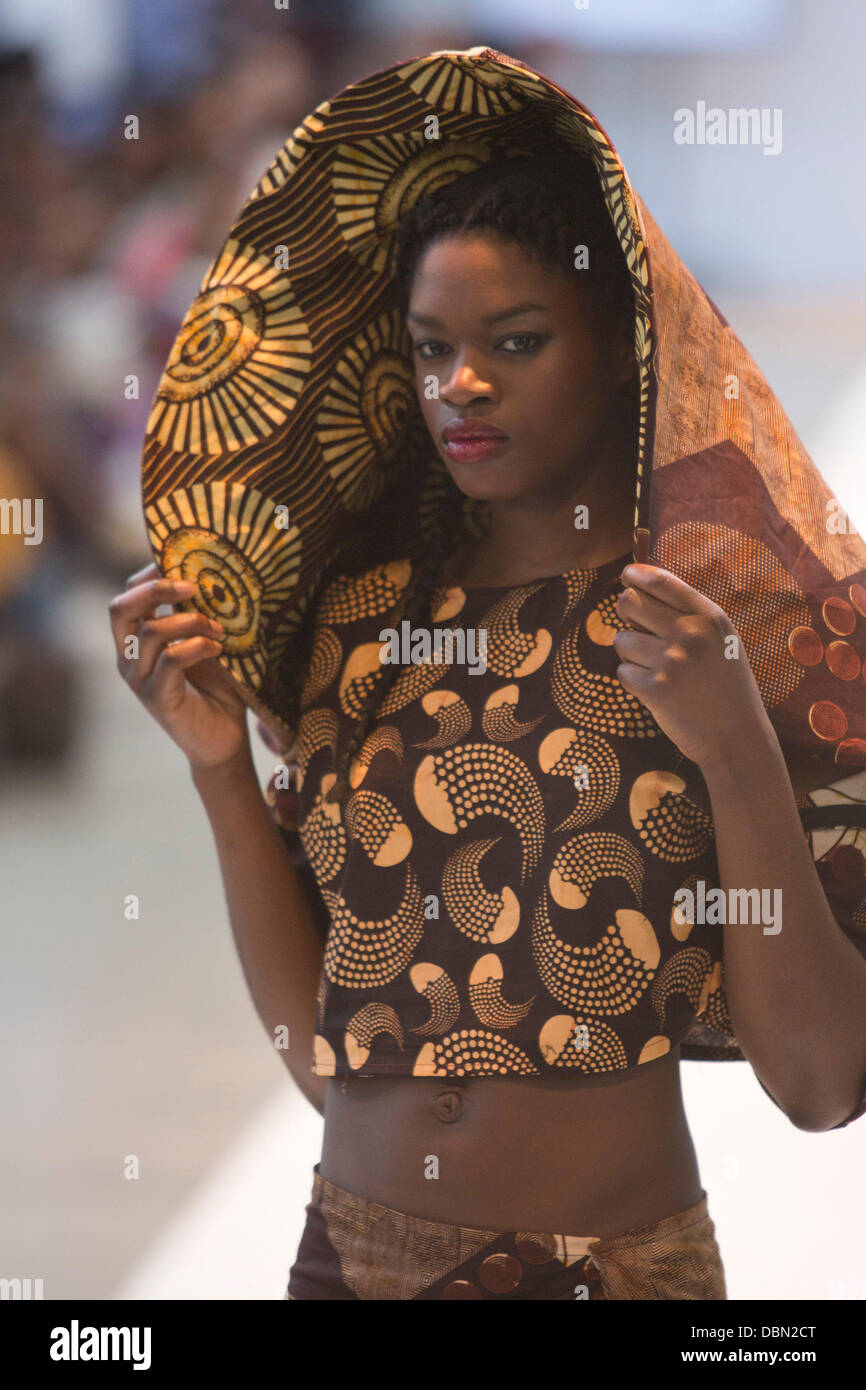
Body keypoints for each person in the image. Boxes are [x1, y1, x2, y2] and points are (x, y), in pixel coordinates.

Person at [115, 48, 866, 1300]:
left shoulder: (707, 623)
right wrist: (219, 780)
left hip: (612, 1273)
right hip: (349, 1258)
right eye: (429, 348)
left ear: (627, 343)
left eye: (513, 341)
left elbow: (821, 1083)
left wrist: (730, 735)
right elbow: (327, 1057)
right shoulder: (360, 625)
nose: (457, 385)